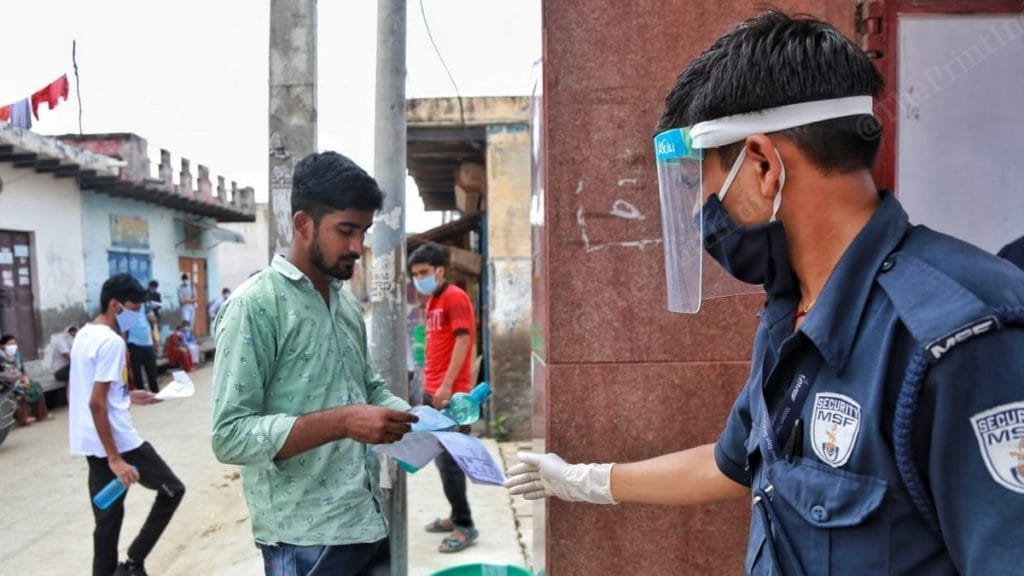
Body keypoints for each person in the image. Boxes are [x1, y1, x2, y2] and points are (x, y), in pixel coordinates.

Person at [504, 11, 1024, 575]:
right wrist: (586, 481)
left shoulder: (960, 336)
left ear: (762, 165)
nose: (702, 213)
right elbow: (735, 463)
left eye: (702, 187)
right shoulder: (791, 311)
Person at [211, 151, 417, 576]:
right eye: (346, 230)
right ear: (303, 224)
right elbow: (230, 436)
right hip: (304, 542)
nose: (358, 247)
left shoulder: (345, 303)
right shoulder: (256, 306)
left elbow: (368, 388)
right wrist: (343, 422)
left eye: (363, 232)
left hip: (365, 519)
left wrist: (419, 420)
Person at [68, 273, 185, 576]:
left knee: (107, 521)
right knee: (172, 490)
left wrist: (128, 395)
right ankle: (133, 561)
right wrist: (115, 458)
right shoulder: (111, 342)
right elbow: (96, 403)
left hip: (93, 443)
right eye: (133, 308)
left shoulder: (84, 335)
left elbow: (85, 391)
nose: (136, 315)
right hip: (120, 443)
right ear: (114, 305)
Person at [408, 243, 479, 553]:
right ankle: (456, 514)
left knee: (450, 462)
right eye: (414, 274)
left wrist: (448, 385)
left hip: (453, 398)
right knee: (441, 461)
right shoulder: (433, 301)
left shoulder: (454, 297)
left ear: (439, 271)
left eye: (423, 272)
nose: (418, 279)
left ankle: (464, 525)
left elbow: (464, 341)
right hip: (434, 392)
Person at [1, 334, 49, 425]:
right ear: (2, 345)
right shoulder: (1, 358)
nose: (13, 346)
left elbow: (22, 371)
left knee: (36, 385)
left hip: (19, 379)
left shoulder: (17, 355)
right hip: (5, 383)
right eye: (10, 344)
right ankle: (23, 418)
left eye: (14, 344)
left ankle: (41, 414)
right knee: (19, 390)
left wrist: (26, 379)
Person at [125, 312, 159, 393]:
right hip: (133, 344)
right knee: (137, 372)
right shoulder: (126, 310)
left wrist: (155, 339)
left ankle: (155, 392)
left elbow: (152, 323)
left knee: (152, 370)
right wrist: (125, 347)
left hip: (148, 343)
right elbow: (123, 330)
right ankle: (141, 393)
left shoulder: (146, 308)